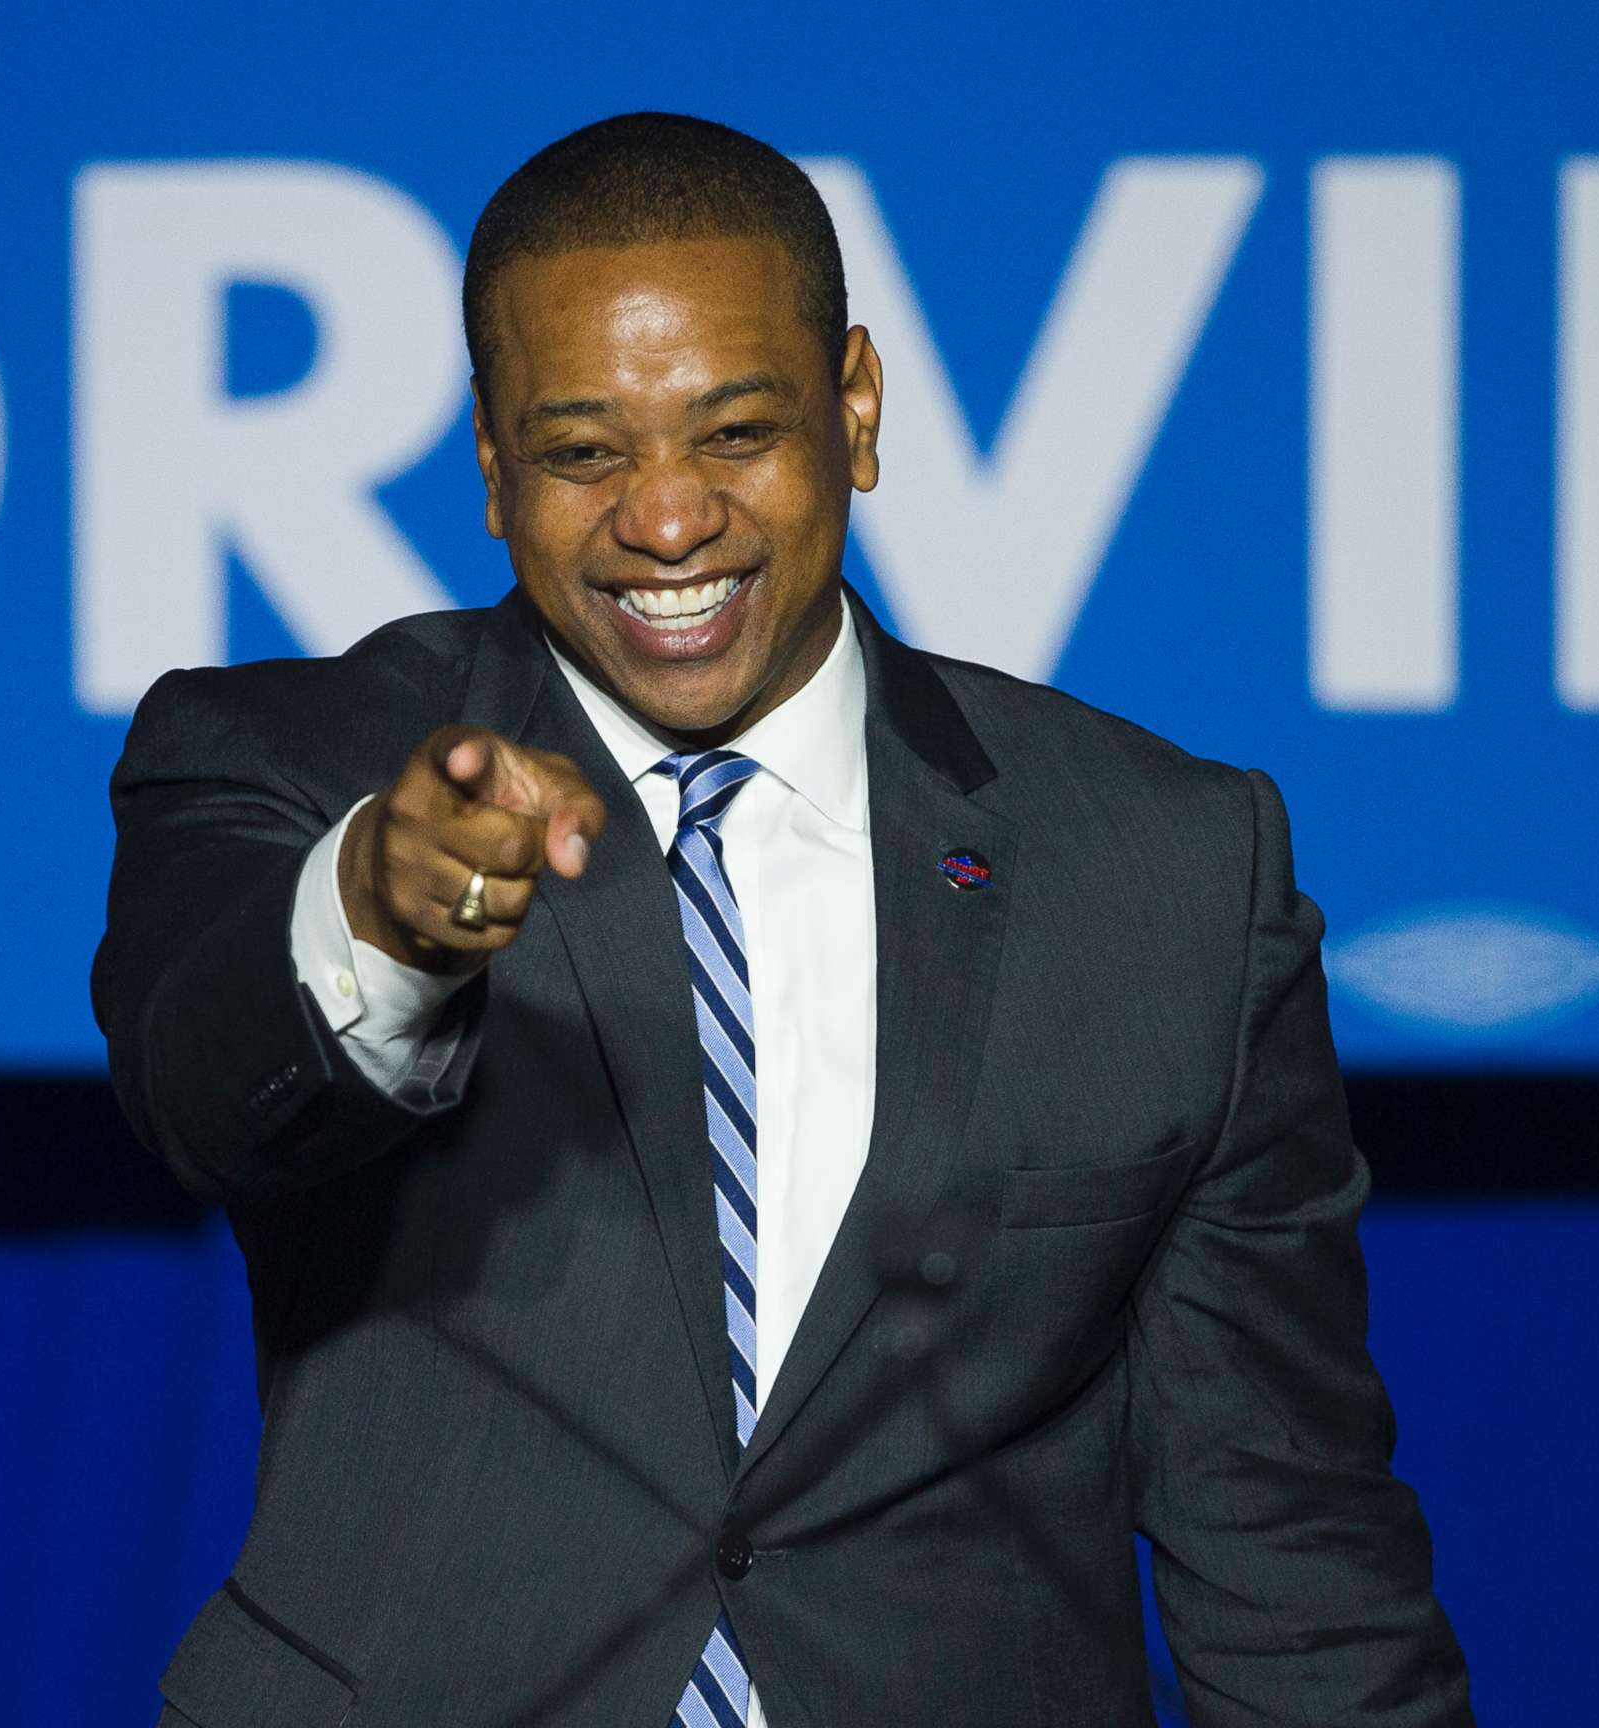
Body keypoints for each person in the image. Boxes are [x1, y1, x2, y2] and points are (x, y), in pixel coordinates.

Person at [93, 111, 1472, 1728]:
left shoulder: (1165, 869)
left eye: (736, 433)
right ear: (489, 462)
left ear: (859, 407)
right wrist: (386, 926)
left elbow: (1291, 1548)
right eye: (584, 451)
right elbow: (199, 1087)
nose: (667, 522)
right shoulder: (293, 764)